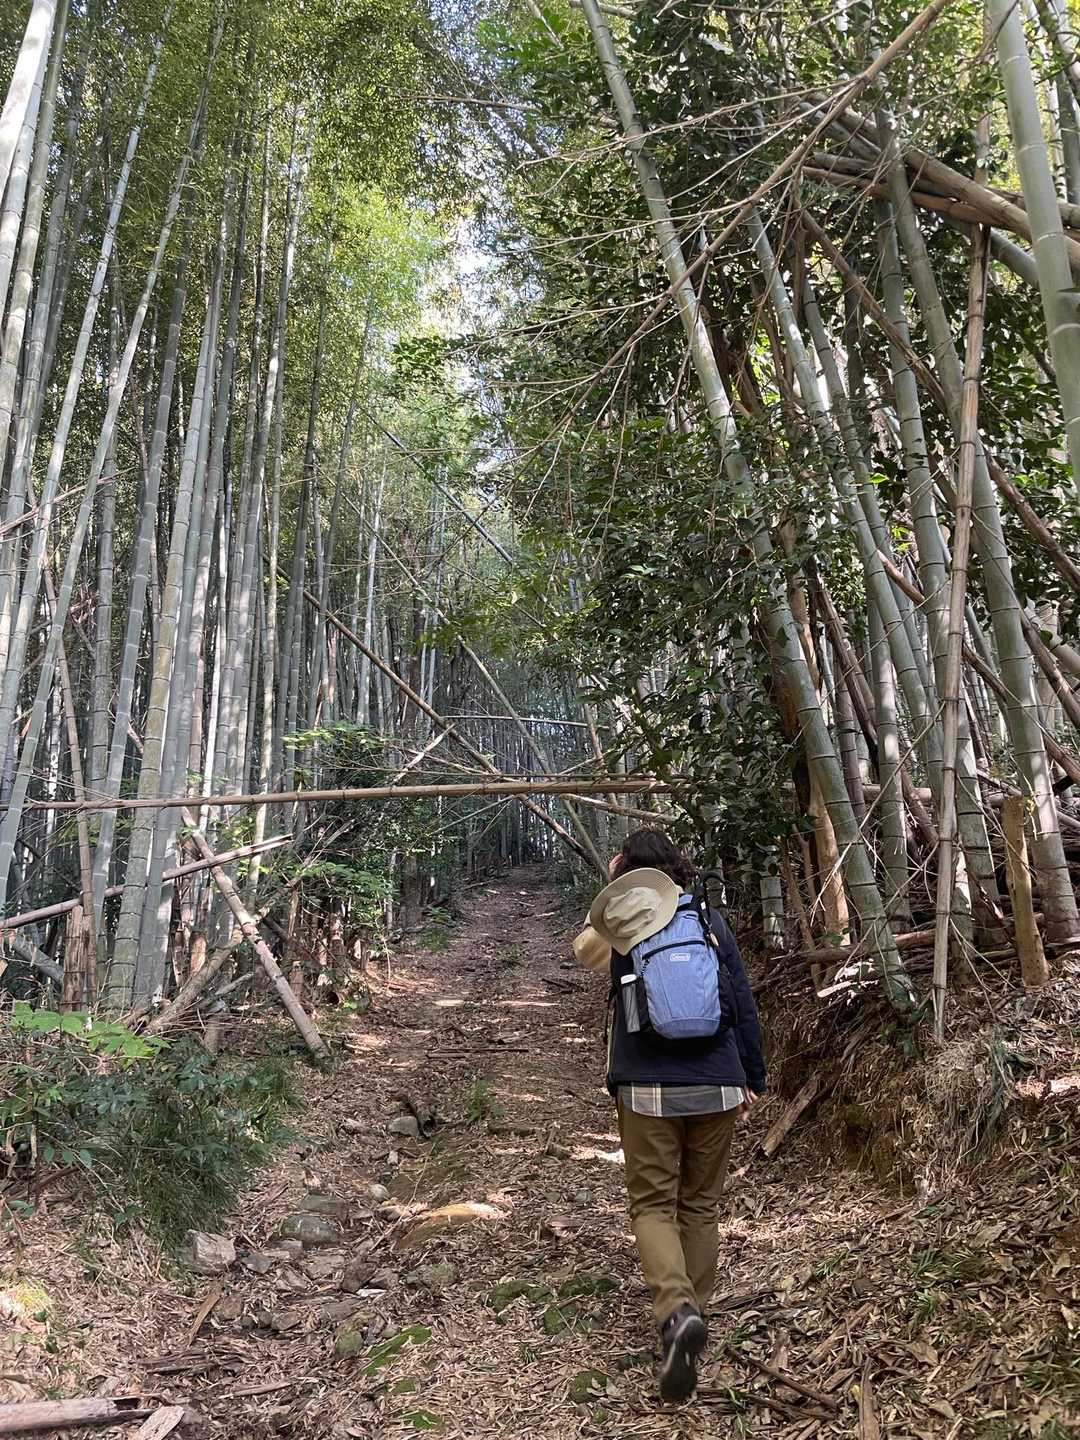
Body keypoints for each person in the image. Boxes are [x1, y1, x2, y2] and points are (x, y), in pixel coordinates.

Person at [573, 828, 766, 1403]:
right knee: (701, 1204)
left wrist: (613, 890)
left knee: (654, 1204)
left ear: (629, 868)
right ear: (678, 867)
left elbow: (583, 952)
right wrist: (751, 1076)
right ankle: (690, 1319)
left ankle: (677, 1312)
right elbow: (743, 1001)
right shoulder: (708, 919)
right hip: (718, 1081)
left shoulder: (623, 922)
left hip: (648, 1086)